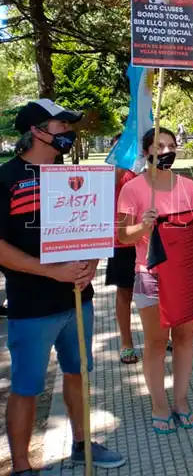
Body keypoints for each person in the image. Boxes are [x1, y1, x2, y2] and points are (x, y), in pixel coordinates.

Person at [0, 99, 125, 471]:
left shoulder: (75, 175)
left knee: (79, 373)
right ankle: (21, 466)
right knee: (26, 388)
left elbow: (95, 228)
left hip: (77, 300)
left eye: (70, 126)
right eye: (61, 126)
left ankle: (82, 445)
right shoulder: (6, 178)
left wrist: (92, 263)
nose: (68, 132)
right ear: (36, 131)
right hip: (30, 307)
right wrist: (50, 271)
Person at [118, 127, 193, 434]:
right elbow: (122, 236)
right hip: (150, 275)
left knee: (185, 339)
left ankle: (181, 400)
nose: (166, 151)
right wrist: (142, 227)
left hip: (186, 274)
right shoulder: (133, 189)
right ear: (146, 152)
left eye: (171, 145)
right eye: (159, 146)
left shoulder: (188, 186)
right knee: (156, 342)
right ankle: (159, 404)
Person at [106, 134, 140, 365]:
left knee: (157, 291)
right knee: (125, 292)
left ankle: (161, 334)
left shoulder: (144, 170)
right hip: (122, 242)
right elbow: (113, 179)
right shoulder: (113, 173)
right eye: (120, 147)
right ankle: (126, 343)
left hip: (148, 240)